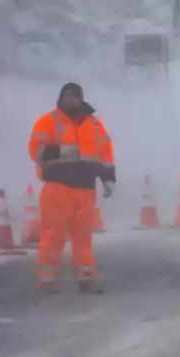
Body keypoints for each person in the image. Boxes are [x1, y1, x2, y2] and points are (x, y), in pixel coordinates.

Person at [28, 82, 115, 294]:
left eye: (74, 97)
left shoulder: (94, 125)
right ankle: (46, 280)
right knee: (54, 235)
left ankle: (85, 277)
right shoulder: (48, 122)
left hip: (86, 189)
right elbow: (35, 151)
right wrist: (62, 153)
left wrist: (108, 179)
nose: (70, 101)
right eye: (66, 97)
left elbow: (105, 154)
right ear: (60, 99)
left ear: (80, 99)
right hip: (58, 187)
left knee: (83, 237)